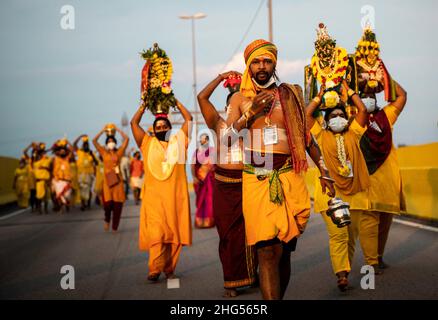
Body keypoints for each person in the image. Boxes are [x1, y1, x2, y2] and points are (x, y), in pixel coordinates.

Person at [225, 39, 335, 300]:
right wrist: (249, 115)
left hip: (289, 177)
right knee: (266, 251)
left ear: (274, 63)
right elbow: (225, 140)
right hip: (257, 179)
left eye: (267, 61)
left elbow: (307, 138)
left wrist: (323, 170)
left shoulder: (290, 94)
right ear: (248, 66)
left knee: (284, 250)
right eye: (256, 62)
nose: (262, 66)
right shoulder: (240, 99)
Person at [198, 70, 258, 298]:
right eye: (231, 106)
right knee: (228, 235)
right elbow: (202, 98)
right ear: (226, 109)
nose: (235, 110)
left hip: (248, 182)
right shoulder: (218, 123)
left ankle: (253, 274)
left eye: (239, 107)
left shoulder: (251, 125)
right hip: (224, 185)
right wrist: (221, 77)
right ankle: (231, 282)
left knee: (252, 232)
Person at [306, 80, 370, 291]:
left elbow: (362, 109)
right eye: (333, 116)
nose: (338, 118)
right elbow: (306, 116)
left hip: (356, 192)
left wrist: (348, 90)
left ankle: (345, 268)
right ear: (326, 121)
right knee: (339, 234)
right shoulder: (321, 135)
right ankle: (341, 275)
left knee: (351, 237)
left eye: (341, 115)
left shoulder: (355, 132)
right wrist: (319, 95)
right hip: (330, 193)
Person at [131, 99, 192, 281]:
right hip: (154, 199)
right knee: (157, 233)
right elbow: (134, 123)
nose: (161, 129)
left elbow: (188, 119)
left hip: (175, 198)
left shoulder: (179, 141)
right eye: (158, 127)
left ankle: (169, 268)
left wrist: (175, 102)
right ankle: (154, 268)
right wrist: (144, 104)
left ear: (170, 127)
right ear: (153, 130)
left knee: (174, 235)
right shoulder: (147, 143)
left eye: (164, 126)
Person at [359, 81, 407, 272]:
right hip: (367, 180)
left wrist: (383, 78)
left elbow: (402, 96)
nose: (368, 99)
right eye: (363, 95)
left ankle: (378, 256)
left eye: (371, 95)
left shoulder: (385, 116)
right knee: (370, 221)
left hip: (388, 181)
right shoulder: (352, 118)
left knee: (385, 222)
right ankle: (371, 262)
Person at [93, 125, 129, 232]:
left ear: (115, 142)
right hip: (107, 182)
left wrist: (117, 130)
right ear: (106, 143)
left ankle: (114, 227)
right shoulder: (103, 152)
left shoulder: (119, 152)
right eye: (108, 141)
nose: (110, 142)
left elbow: (127, 139)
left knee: (118, 205)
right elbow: (94, 141)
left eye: (112, 141)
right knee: (108, 204)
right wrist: (102, 130)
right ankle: (107, 219)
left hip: (118, 181)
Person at [191, 134, 215, 228]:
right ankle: (200, 221)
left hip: (210, 180)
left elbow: (216, 164)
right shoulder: (196, 152)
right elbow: (192, 165)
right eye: (202, 140)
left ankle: (210, 221)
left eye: (205, 140)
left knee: (210, 200)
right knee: (201, 201)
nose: (203, 142)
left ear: (208, 141)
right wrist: (194, 177)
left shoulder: (212, 151)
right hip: (200, 181)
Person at [74, 134, 98, 211]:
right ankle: (83, 204)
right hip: (81, 174)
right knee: (82, 189)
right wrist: (80, 136)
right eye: (84, 145)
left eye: (87, 145)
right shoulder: (79, 152)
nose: (85, 146)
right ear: (82, 146)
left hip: (89, 174)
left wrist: (92, 155)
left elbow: (96, 163)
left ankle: (88, 203)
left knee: (88, 189)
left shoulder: (91, 153)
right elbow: (74, 144)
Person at [51, 139, 74, 212]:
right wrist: (57, 144)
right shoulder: (55, 159)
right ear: (58, 152)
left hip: (67, 181)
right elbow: (54, 150)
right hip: (59, 180)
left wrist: (68, 142)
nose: (62, 152)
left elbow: (72, 149)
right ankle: (61, 207)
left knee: (67, 196)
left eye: (64, 151)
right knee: (59, 195)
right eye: (61, 151)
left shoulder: (67, 159)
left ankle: (66, 204)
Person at [32, 143, 52, 214]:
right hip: (39, 181)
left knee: (46, 197)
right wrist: (36, 148)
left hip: (45, 181)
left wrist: (44, 167)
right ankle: (39, 209)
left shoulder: (47, 160)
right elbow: (33, 159)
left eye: (44, 153)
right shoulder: (36, 162)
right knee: (39, 196)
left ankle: (46, 209)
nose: (43, 154)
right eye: (42, 153)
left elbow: (50, 167)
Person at [23, 142, 38, 212]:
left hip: (37, 179)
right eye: (33, 153)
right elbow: (24, 151)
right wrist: (30, 146)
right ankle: (32, 207)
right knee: (32, 194)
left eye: (35, 154)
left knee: (37, 194)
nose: (34, 155)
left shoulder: (38, 161)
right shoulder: (29, 160)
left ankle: (38, 206)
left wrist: (37, 147)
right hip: (31, 180)